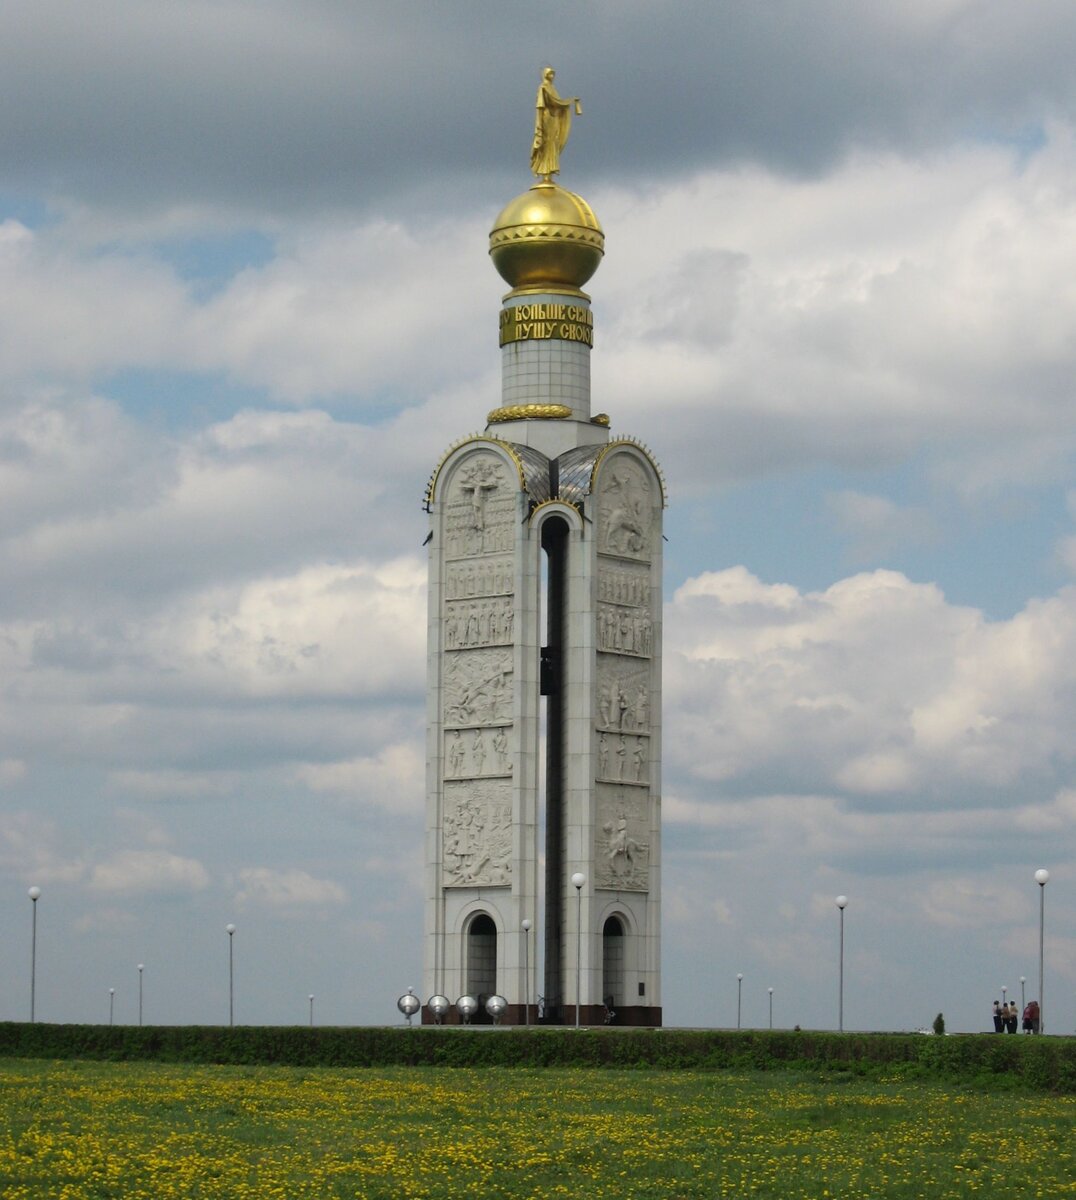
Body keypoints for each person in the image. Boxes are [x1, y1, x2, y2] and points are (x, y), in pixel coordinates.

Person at [530, 67, 581, 179]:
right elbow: (554, 102)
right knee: (548, 141)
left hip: (553, 118)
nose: (552, 76)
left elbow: (557, 103)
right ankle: (544, 167)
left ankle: (551, 166)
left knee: (553, 141)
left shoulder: (551, 88)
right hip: (547, 118)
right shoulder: (543, 88)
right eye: (550, 74)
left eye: (553, 74)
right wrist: (570, 101)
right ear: (546, 75)